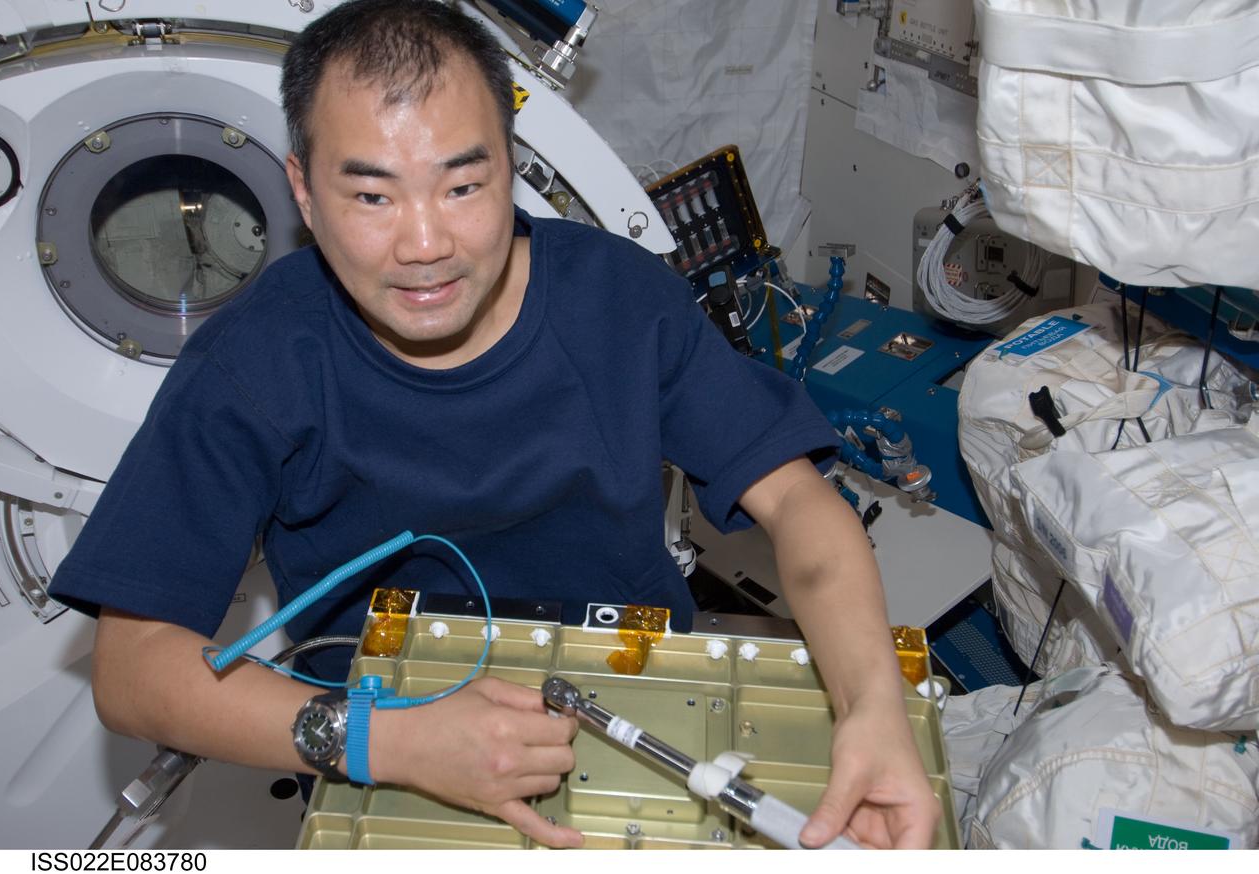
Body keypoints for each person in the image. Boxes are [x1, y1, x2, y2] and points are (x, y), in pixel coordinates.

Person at [48, 0, 939, 850]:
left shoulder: (620, 300)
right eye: (372, 197)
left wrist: (873, 707)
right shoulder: (253, 365)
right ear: (303, 193)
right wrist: (386, 744)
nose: (425, 243)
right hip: (386, 738)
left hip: (636, 704)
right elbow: (136, 672)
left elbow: (797, 502)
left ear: (511, 166)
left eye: (464, 184)